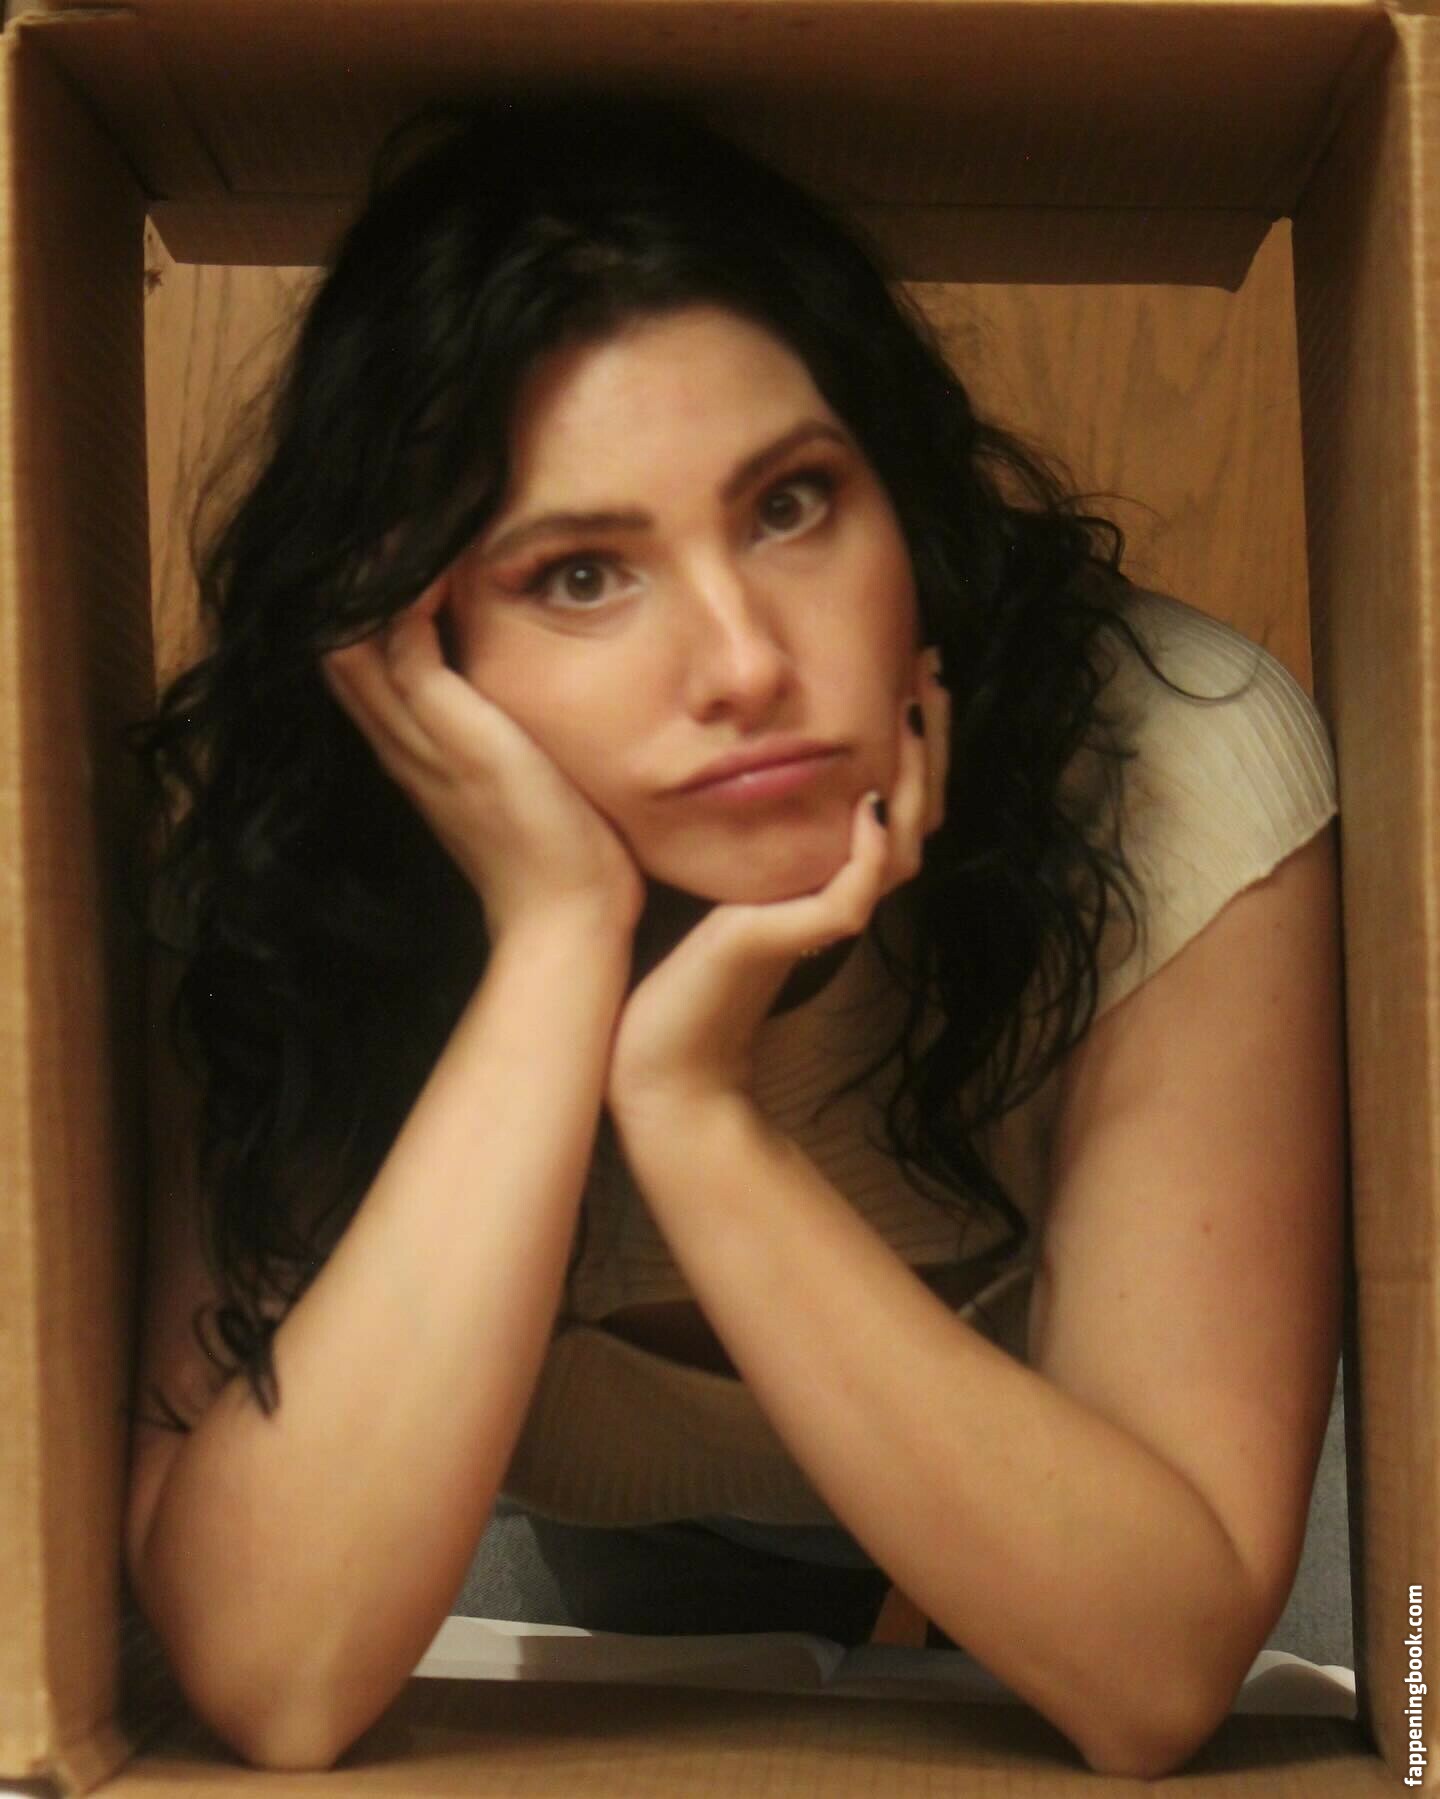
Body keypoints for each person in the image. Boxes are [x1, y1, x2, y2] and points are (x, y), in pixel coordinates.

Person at [124, 94, 1345, 1778]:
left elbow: (1153, 1673)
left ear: (906, 499)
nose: (748, 662)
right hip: (575, 1514)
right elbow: (275, 1676)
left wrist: (696, 1112)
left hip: (1066, 1459)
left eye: (790, 504)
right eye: (579, 575)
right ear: (408, 649)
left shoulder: (1166, 774)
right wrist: (557, 944)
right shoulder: (277, 875)